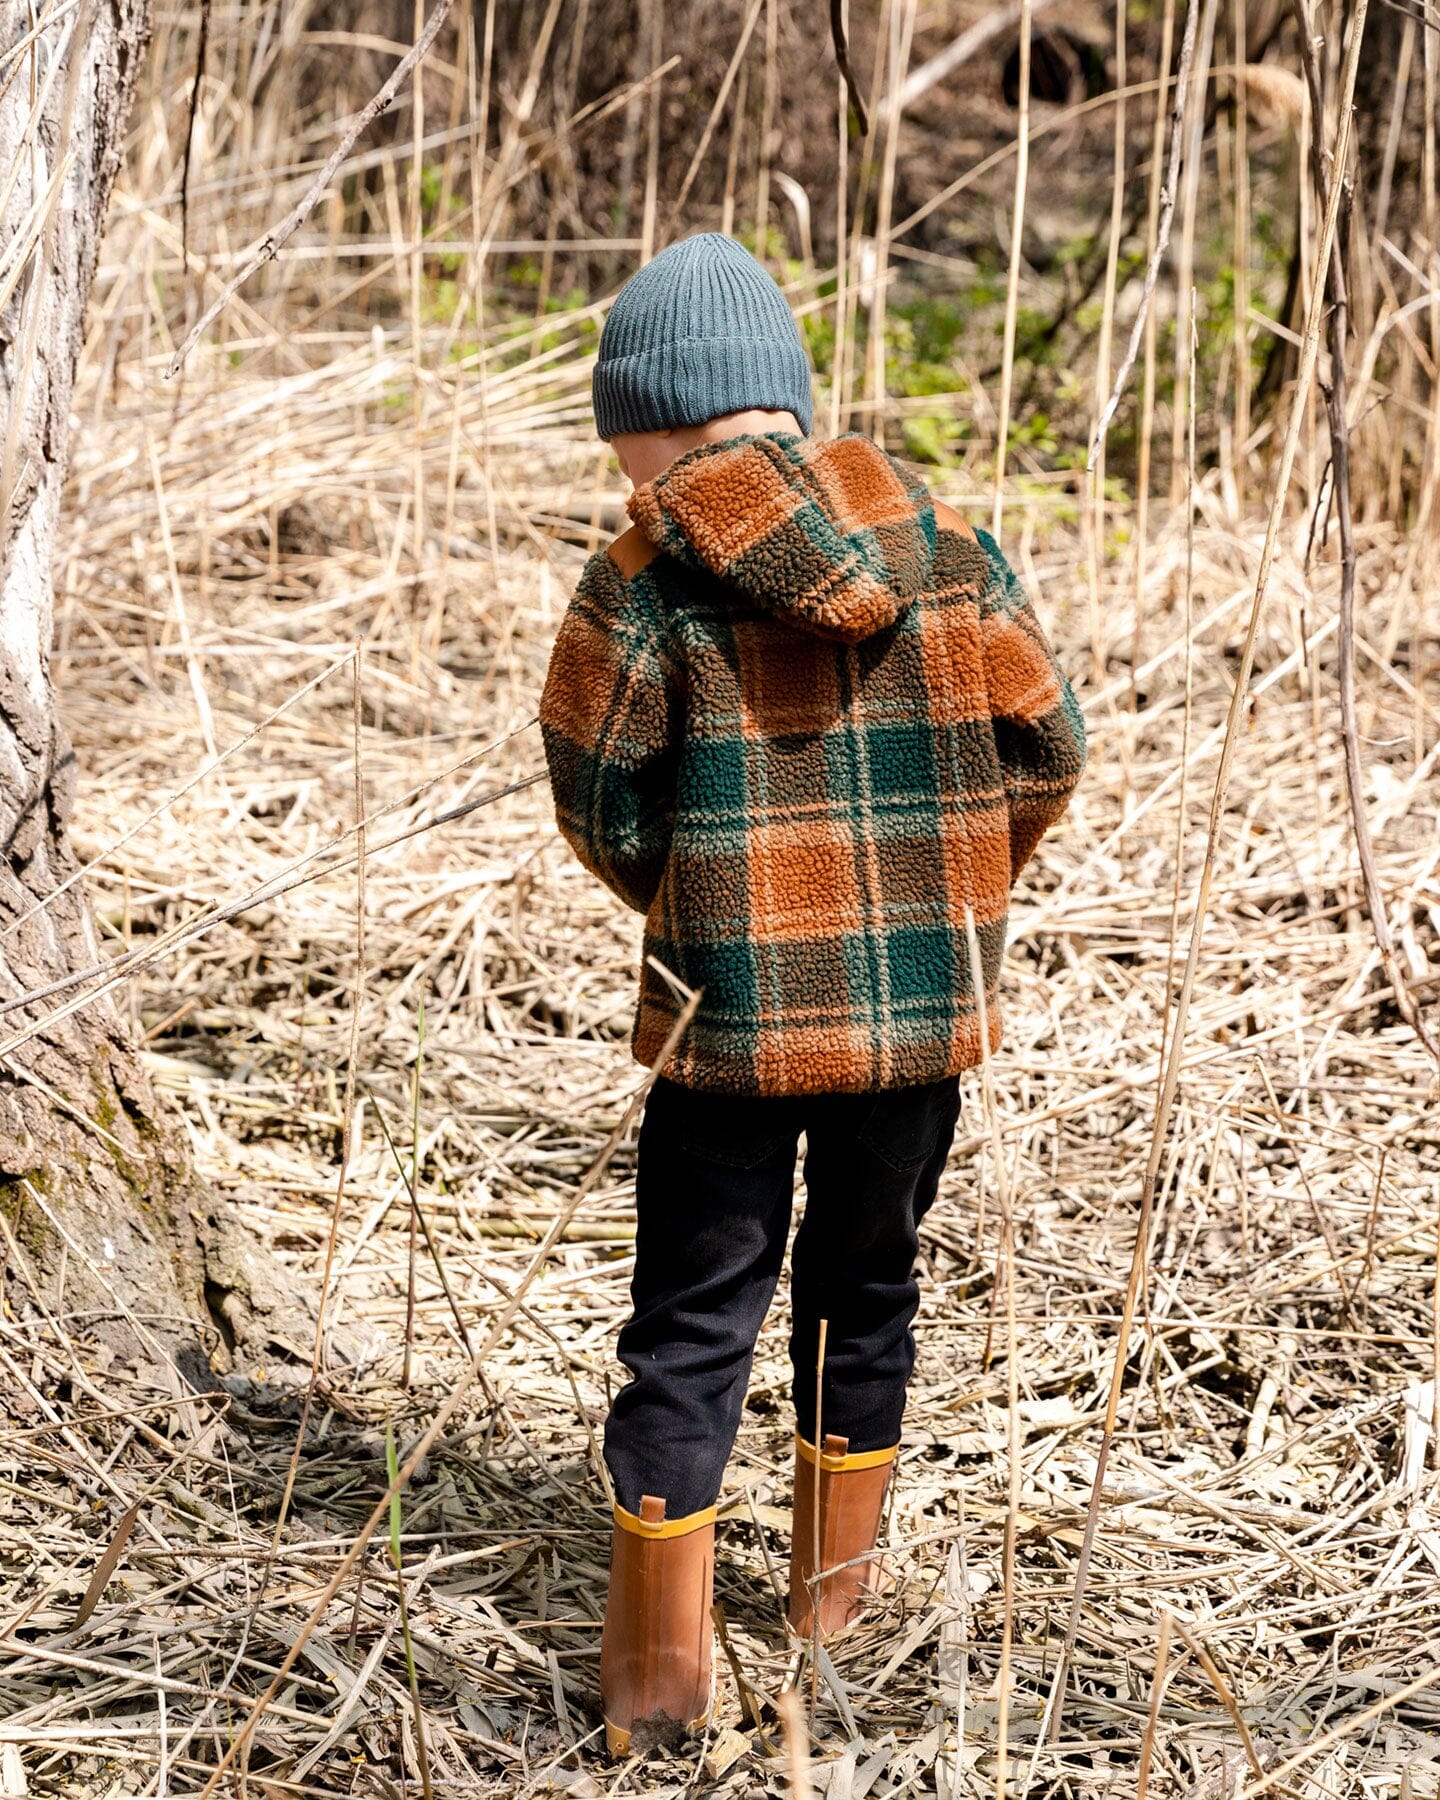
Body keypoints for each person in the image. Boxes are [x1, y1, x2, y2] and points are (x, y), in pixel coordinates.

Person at [540, 232, 1086, 1755]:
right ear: (783, 400)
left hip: (723, 1028)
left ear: (648, 422)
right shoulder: (949, 543)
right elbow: (1048, 747)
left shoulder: (643, 577)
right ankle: (827, 1633)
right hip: (915, 1027)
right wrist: (945, 888)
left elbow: (595, 789)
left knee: (690, 1320)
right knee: (869, 1291)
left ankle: (653, 1697)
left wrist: (692, 901)